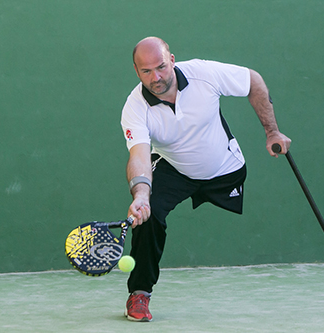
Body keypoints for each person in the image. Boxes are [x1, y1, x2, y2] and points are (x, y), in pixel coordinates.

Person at [120, 37, 291, 322]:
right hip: (174, 169)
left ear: (172, 59)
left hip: (225, 168)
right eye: (146, 71)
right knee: (147, 216)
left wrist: (272, 131)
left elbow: (254, 82)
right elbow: (138, 155)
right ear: (136, 72)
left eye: (161, 67)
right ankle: (139, 293)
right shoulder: (135, 107)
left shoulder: (204, 74)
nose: (156, 77)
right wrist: (140, 195)